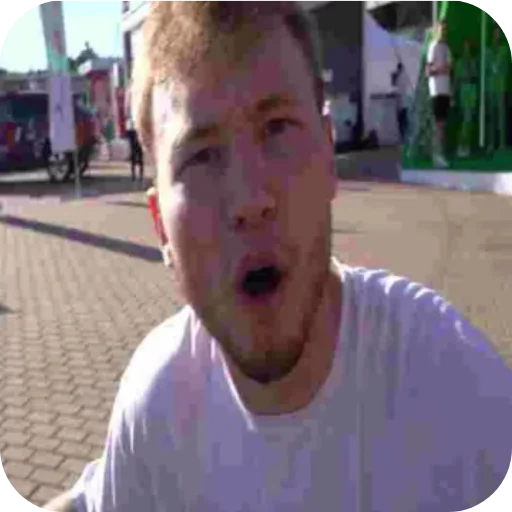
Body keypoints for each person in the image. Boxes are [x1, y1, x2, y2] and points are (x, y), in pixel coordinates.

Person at [43, 2, 512, 511]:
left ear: (328, 155)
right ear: (160, 227)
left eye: (277, 127)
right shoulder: (156, 404)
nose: (249, 200)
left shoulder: (454, 391)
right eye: (201, 156)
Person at [426, 19, 452, 168]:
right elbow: (428, 70)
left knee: (442, 124)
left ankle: (440, 154)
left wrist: (442, 69)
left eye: (445, 29)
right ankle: (436, 156)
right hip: (436, 91)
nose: (443, 32)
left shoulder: (446, 48)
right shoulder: (433, 46)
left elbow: (449, 69)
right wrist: (440, 69)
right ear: (436, 30)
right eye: (441, 29)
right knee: (437, 125)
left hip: (445, 90)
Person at [454, 39, 478, 158]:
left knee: (469, 120)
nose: (467, 50)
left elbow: (475, 76)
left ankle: (466, 145)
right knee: (465, 120)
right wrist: (454, 95)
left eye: (469, 48)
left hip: (471, 90)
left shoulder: (473, 62)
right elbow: (456, 81)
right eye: (465, 47)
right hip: (463, 90)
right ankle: (461, 145)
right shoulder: (459, 62)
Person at [486, 25, 509, 153]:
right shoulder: (487, 51)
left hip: (500, 86)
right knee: (491, 116)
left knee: (501, 116)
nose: (497, 36)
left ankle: (502, 143)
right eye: (495, 33)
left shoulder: (504, 49)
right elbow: (485, 69)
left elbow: (505, 67)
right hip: (490, 87)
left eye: (498, 33)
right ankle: (490, 143)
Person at [392, 62, 409, 144]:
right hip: (404, 104)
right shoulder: (404, 76)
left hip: (401, 105)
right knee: (404, 123)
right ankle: (405, 140)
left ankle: (404, 140)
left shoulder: (400, 77)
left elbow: (398, 90)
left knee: (402, 123)